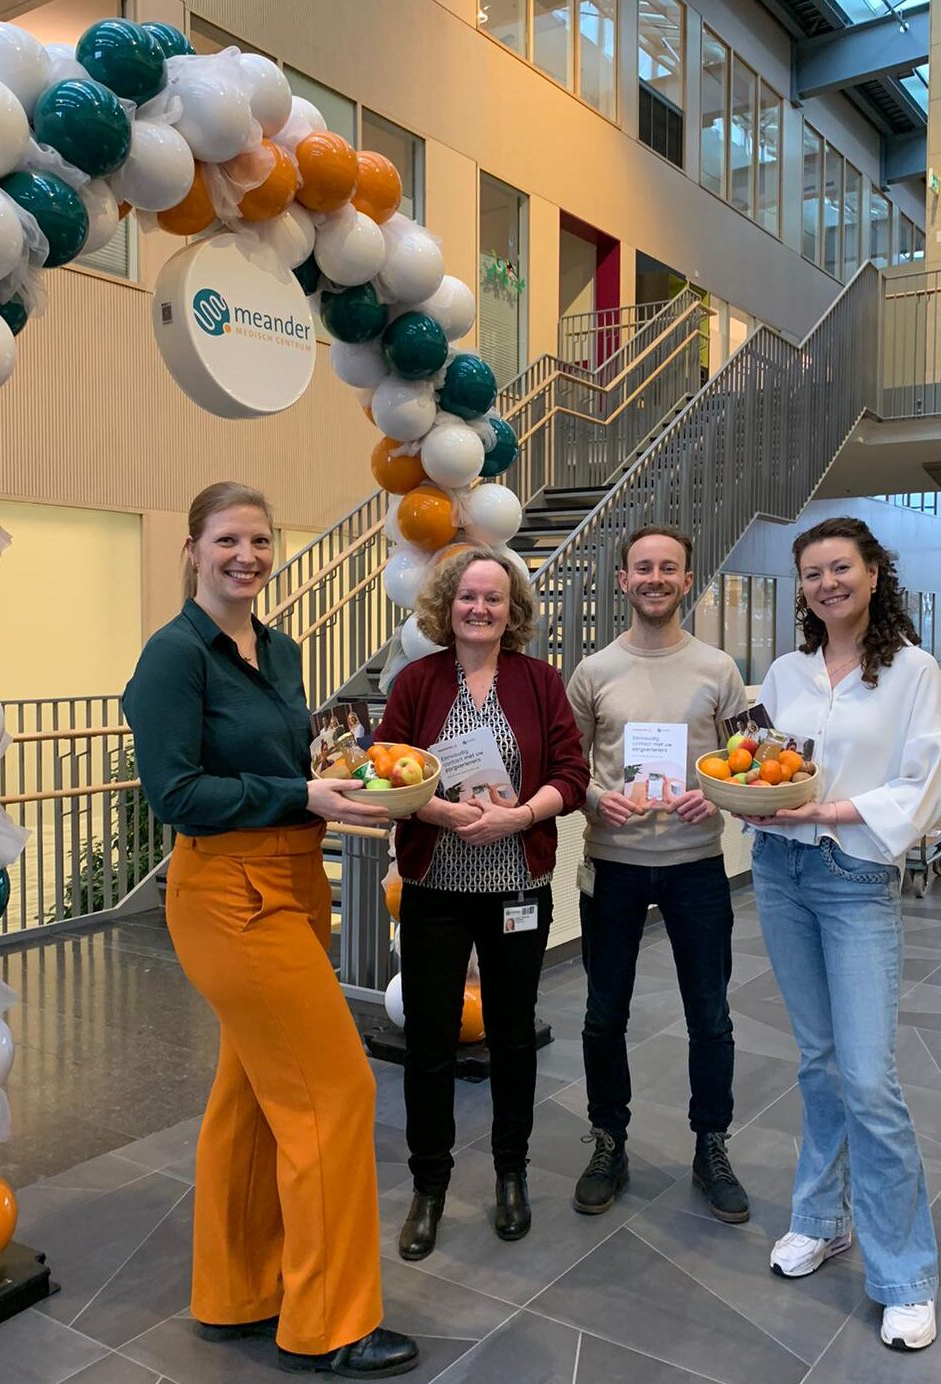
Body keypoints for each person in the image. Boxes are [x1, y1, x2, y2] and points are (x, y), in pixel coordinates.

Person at [123, 482, 418, 1379]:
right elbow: (176, 796)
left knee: (252, 1094)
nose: (245, 556)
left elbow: (300, 764)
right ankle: (329, 1324)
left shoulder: (280, 650)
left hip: (290, 882)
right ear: (192, 549)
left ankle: (237, 1290)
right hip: (230, 896)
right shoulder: (174, 657)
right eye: (226, 540)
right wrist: (301, 794)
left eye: (258, 540)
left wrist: (359, 785)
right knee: (336, 1093)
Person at [737, 515, 941, 1354]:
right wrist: (745, 789)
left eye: (841, 568)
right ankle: (821, 1220)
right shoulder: (787, 670)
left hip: (853, 877)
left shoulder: (911, 671)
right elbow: (762, 758)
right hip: (779, 873)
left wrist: (829, 811)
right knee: (819, 1063)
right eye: (812, 573)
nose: (827, 583)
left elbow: (926, 784)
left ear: (873, 574)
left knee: (868, 1079)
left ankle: (905, 1276)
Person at [376, 547, 588, 1261]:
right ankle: (429, 1186)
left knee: (514, 1037)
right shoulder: (416, 682)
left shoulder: (539, 681)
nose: (480, 608)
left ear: (512, 609)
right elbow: (385, 771)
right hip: (434, 890)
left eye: (494, 598)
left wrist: (519, 816)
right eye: (468, 596)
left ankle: (510, 1174)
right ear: (447, 604)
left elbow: (572, 773)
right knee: (430, 1044)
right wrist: (437, 811)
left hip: (515, 888)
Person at [566, 524, 750, 1223]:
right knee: (602, 1014)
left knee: (711, 1014)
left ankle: (711, 1145)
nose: (654, 578)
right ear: (623, 580)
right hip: (613, 866)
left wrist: (720, 794)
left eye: (668, 568)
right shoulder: (593, 672)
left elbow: (751, 762)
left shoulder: (718, 669)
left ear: (686, 579)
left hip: (695, 865)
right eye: (642, 567)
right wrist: (593, 798)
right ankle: (608, 1140)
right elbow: (568, 765)